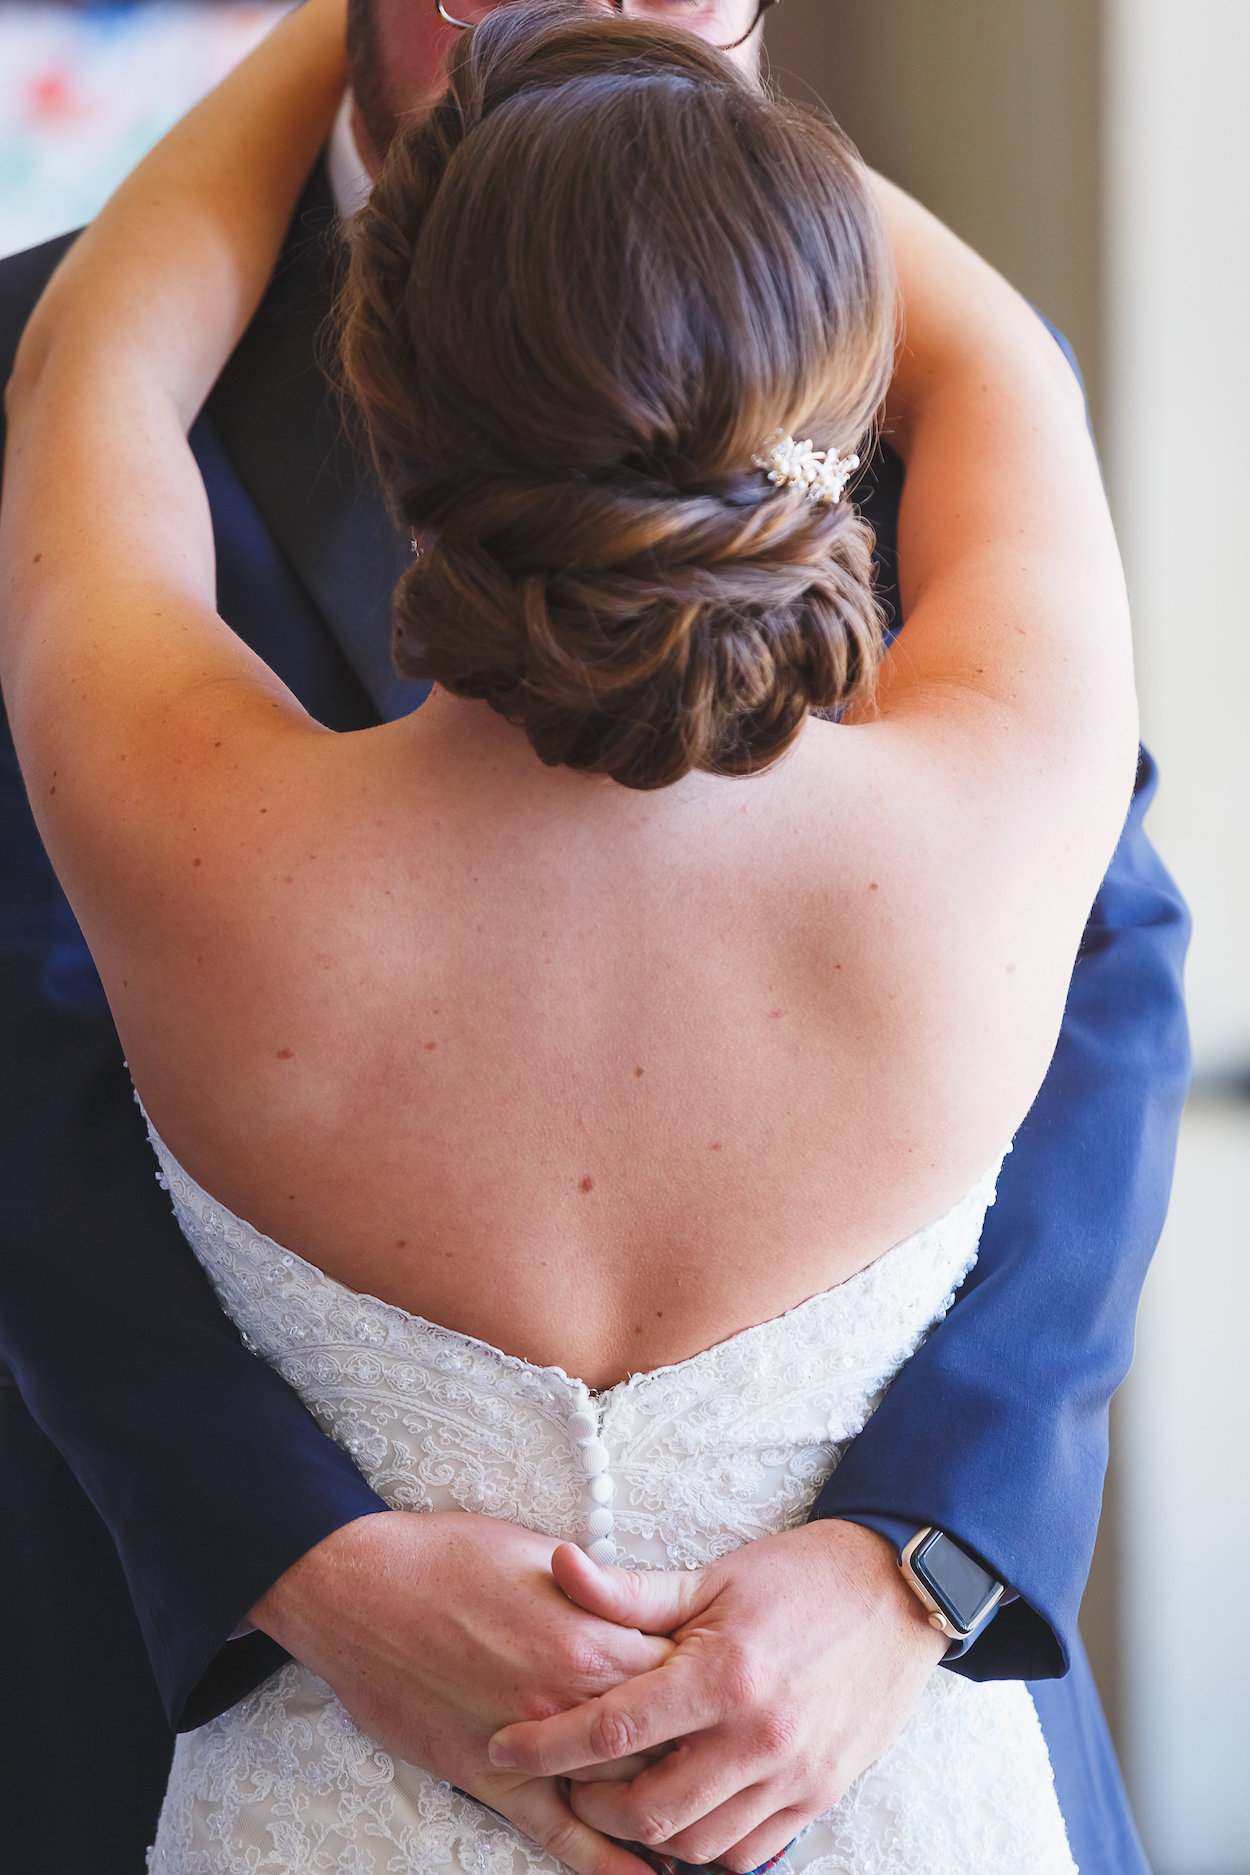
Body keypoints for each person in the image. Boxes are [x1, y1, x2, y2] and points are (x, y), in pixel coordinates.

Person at [0, 1, 1189, 1872]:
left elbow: (95, 367)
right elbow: (1001, 383)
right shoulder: (994, 777)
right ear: (823, 374)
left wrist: (919, 1562)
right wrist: (679, 129)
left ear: (381, 395)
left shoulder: (191, 829)